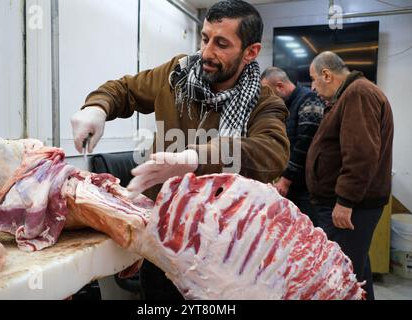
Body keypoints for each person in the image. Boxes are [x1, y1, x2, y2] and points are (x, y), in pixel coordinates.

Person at [71, 0, 290, 300]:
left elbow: (271, 151)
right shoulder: (177, 75)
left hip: (223, 247)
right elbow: (125, 89)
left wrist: (195, 159)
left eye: (221, 44)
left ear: (250, 52)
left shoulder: (264, 101)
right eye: (205, 38)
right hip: (164, 238)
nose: (207, 52)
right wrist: (97, 107)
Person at [306, 51, 394, 300]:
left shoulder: (358, 93)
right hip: (349, 203)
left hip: (349, 206)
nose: (313, 87)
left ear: (326, 74)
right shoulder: (352, 94)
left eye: (313, 79)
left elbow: (361, 153)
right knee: (357, 273)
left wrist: (345, 201)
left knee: (339, 278)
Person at [261, 67, 324, 225]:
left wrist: (286, 180)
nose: (268, 98)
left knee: (307, 238)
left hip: (306, 190)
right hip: (291, 186)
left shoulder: (309, 99)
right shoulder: (285, 106)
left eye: (269, 92)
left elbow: (305, 142)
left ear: (280, 86)